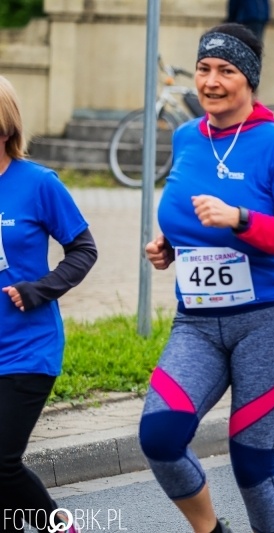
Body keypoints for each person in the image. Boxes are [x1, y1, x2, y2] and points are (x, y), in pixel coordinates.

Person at [138, 23, 274, 533]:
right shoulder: (185, 137)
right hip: (197, 322)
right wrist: (170, 246)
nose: (211, 81)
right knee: (160, 437)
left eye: (226, 71)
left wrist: (240, 219)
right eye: (203, 69)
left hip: (272, 323)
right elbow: (187, 212)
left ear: (250, 79)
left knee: (251, 462)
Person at [0, 75, 97, 533]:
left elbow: (83, 249)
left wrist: (39, 289)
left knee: (2, 463)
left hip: (26, 348)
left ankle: (61, 529)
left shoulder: (38, 184)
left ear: (5, 126)